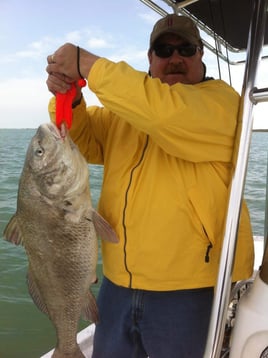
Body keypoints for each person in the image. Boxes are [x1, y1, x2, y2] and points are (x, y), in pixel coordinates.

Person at [46, 14, 254, 358]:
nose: (175, 58)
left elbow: (165, 115)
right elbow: (79, 138)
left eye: (186, 49)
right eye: (164, 49)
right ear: (150, 58)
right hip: (117, 284)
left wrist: (87, 64)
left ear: (201, 55)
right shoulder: (129, 109)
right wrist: (72, 100)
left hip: (189, 289)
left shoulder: (223, 103)